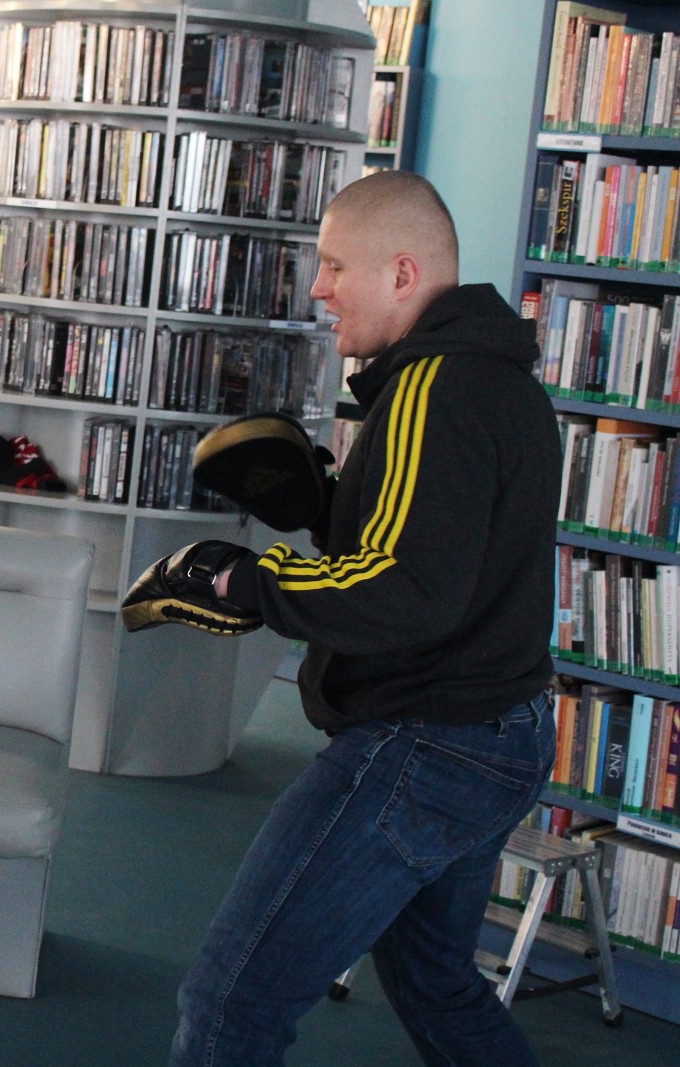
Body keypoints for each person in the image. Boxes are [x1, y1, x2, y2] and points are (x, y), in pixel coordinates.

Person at [123, 171, 561, 1067]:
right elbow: (447, 551)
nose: (319, 288)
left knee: (230, 1003)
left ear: (402, 273)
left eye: (334, 266)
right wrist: (325, 506)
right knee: (438, 985)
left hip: (427, 744)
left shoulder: (433, 388)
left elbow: (407, 586)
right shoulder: (496, 381)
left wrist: (252, 582)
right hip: (499, 729)